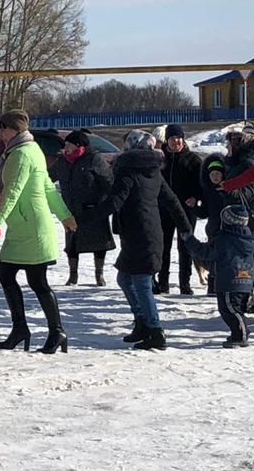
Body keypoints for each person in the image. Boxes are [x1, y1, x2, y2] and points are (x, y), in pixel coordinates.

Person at [0, 110, 76, 355]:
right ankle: (23, 329)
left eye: (4, 127)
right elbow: (48, 188)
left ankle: (55, 331)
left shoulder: (22, 153)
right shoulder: (28, 150)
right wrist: (64, 216)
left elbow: (12, 191)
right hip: (24, 224)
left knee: (35, 280)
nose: (0, 131)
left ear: (17, 129)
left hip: (31, 226)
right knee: (9, 274)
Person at [98, 130, 191, 351]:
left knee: (141, 283)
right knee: (125, 278)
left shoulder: (129, 172)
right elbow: (173, 202)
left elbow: (115, 201)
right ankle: (142, 322)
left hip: (142, 235)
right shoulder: (152, 171)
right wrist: (185, 227)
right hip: (142, 234)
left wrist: (87, 218)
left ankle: (155, 330)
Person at [184, 205, 254, 348]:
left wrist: (190, 240)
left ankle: (241, 333)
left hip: (229, 283)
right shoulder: (251, 242)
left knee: (229, 310)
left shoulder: (223, 240)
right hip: (246, 283)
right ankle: (237, 333)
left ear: (226, 222)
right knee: (234, 309)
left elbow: (206, 253)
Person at [222, 123, 254, 312]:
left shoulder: (252, 159)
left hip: (251, 215)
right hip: (247, 213)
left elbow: (249, 189)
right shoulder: (243, 158)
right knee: (250, 255)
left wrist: (227, 189)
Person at [54, 129, 114, 287]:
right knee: (72, 244)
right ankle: (73, 275)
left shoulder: (94, 159)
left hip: (94, 209)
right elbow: (48, 176)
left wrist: (109, 203)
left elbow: (108, 181)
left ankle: (99, 274)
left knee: (99, 243)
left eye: (69, 145)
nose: (65, 148)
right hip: (71, 209)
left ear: (79, 146)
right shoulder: (62, 161)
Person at [156, 123, 203, 295]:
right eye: (173, 138)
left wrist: (196, 197)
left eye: (179, 138)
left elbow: (202, 184)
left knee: (185, 246)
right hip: (164, 209)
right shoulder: (160, 160)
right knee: (163, 246)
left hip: (186, 209)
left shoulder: (193, 160)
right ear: (167, 140)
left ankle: (185, 283)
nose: (176, 141)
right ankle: (163, 282)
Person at [198, 155, 229, 294]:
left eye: (218, 174)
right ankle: (212, 287)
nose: (215, 177)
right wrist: (194, 206)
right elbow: (203, 212)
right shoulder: (207, 191)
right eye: (212, 174)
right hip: (213, 228)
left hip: (227, 229)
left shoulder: (228, 191)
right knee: (214, 258)